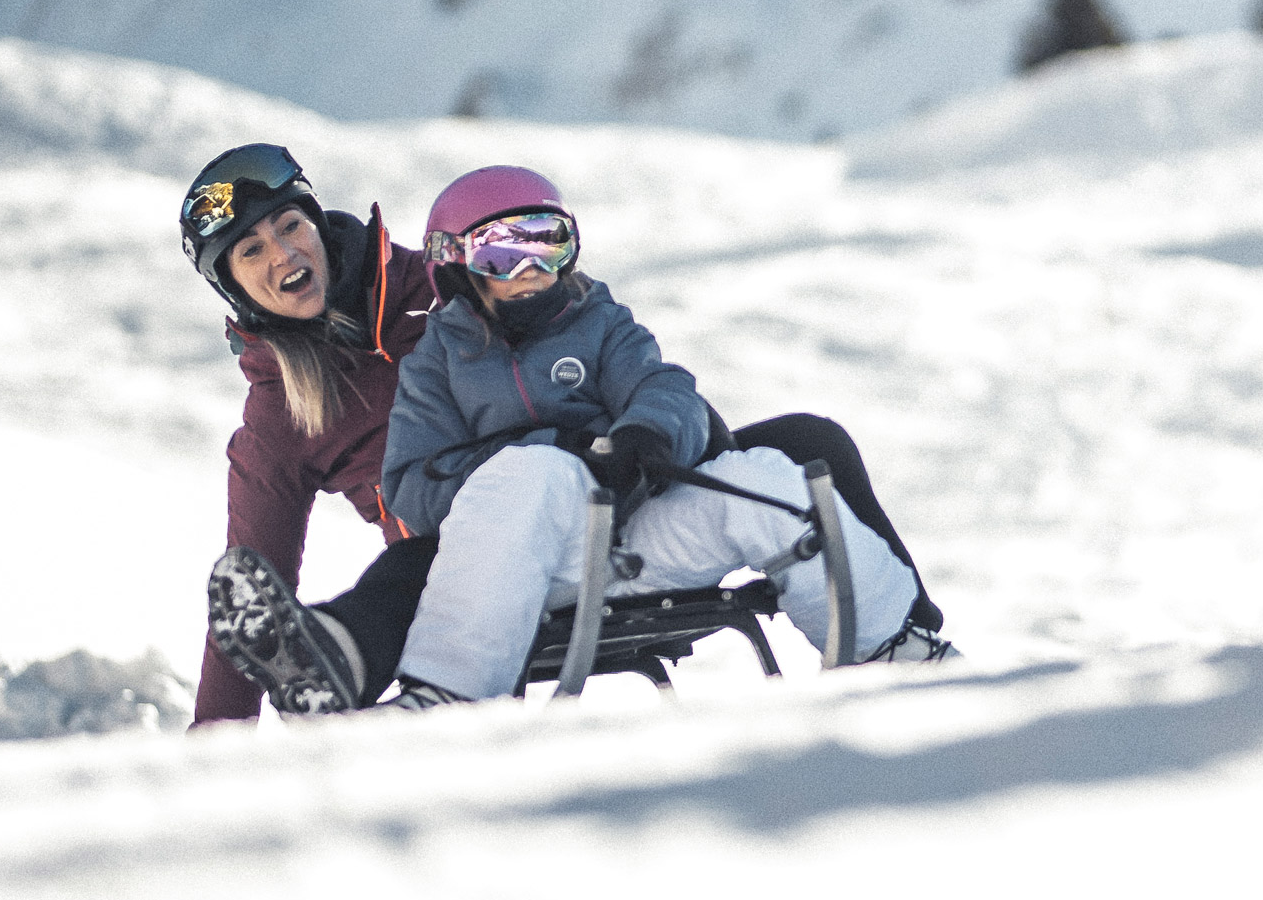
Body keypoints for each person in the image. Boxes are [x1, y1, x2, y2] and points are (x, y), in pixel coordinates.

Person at [368, 165, 953, 708]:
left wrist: (645, 438)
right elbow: (409, 488)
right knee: (533, 471)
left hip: (636, 545)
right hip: (532, 566)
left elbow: (663, 386)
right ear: (451, 266)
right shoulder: (436, 364)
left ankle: (891, 648)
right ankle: (447, 695)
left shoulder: (597, 322)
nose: (529, 271)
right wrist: (546, 454)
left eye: (547, 244)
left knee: (760, 476)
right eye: (498, 254)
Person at [177, 143, 439, 725]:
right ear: (234, 287)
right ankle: (330, 660)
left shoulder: (434, 288)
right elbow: (250, 594)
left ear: (318, 225)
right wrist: (212, 748)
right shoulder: (282, 413)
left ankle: (338, 654)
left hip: (563, 503)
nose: (285, 252)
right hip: (442, 575)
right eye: (251, 250)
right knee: (417, 572)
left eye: (291, 224)